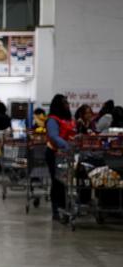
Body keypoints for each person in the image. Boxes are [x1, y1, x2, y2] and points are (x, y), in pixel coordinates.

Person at [46, 94, 75, 222]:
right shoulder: (52, 119)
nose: (67, 105)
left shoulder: (68, 119)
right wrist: (66, 145)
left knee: (65, 183)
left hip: (67, 154)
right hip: (54, 153)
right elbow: (53, 135)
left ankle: (65, 206)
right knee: (57, 182)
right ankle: (56, 209)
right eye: (64, 103)